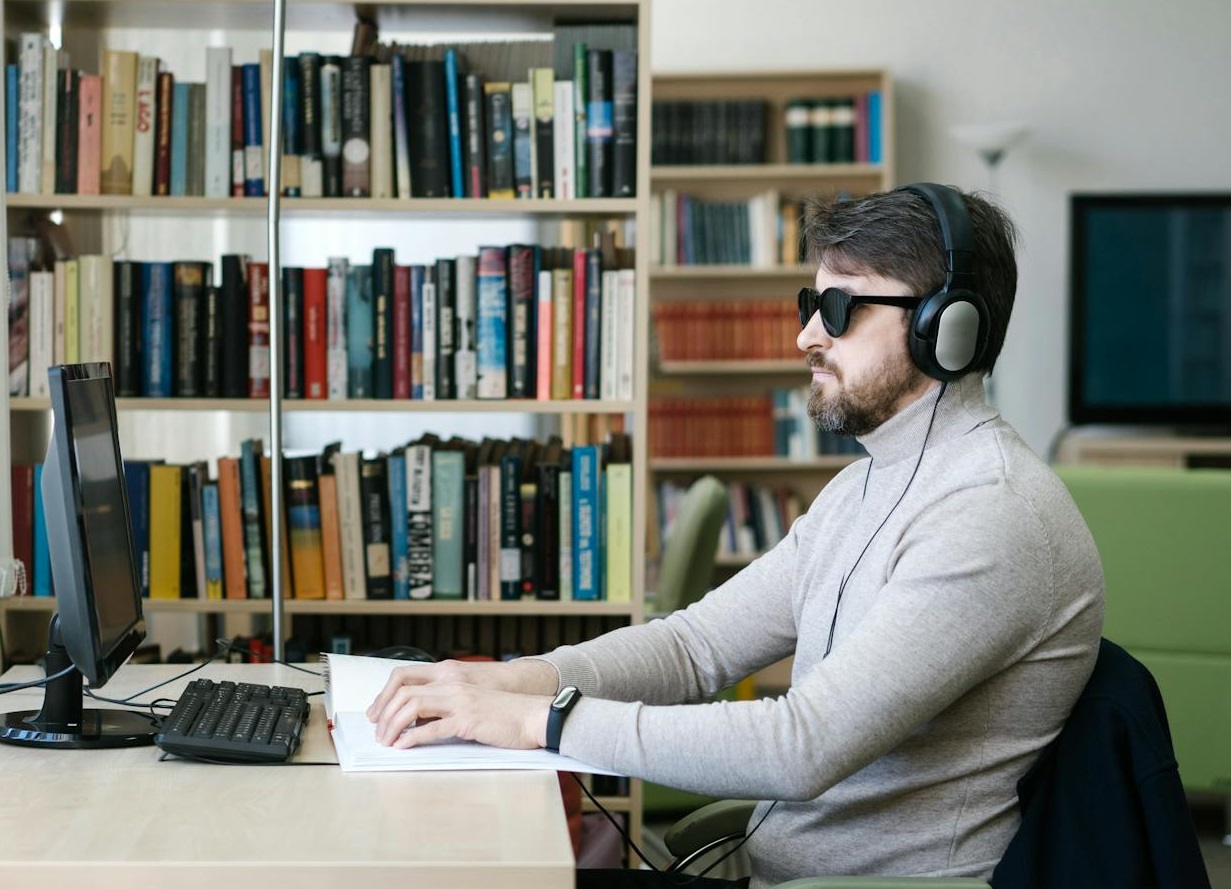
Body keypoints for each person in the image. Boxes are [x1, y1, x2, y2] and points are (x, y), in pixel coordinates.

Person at [366, 184, 1105, 888]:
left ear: (946, 327)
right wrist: (506, 679)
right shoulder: (866, 483)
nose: (805, 334)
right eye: (811, 302)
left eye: (841, 306)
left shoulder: (990, 516)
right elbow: (694, 647)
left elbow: (800, 745)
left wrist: (538, 721)